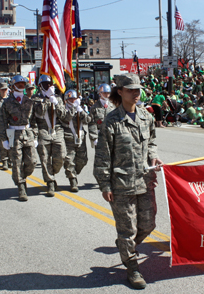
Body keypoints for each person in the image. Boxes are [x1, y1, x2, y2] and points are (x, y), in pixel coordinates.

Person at [93, 73, 163, 289]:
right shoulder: (111, 121)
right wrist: (105, 184)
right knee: (127, 230)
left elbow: (151, 141)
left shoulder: (146, 117)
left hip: (144, 180)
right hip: (121, 185)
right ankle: (132, 268)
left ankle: (126, 247)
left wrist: (153, 155)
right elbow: (103, 155)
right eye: (130, 89)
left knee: (149, 224)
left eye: (137, 89)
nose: (135, 93)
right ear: (120, 92)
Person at [0, 75, 38, 201]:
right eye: (19, 84)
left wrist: (35, 135)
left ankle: (21, 176)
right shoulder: (6, 103)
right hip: (13, 134)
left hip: (27, 132)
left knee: (32, 161)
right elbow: (1, 122)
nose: (21, 86)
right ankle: (21, 186)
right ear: (13, 86)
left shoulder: (29, 101)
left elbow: (35, 120)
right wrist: (3, 139)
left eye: (23, 84)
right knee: (17, 162)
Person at [32, 75, 67, 196]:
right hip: (43, 129)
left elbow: (63, 115)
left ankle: (53, 172)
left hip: (56, 129)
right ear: (40, 85)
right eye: (46, 84)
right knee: (45, 158)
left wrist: (56, 102)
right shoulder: (35, 98)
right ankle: (50, 182)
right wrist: (47, 98)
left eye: (50, 84)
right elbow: (39, 112)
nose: (48, 86)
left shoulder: (58, 98)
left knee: (61, 155)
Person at [60, 89, 91, 192]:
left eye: (74, 98)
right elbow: (66, 118)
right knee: (69, 161)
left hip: (80, 137)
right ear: (66, 99)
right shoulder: (63, 109)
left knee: (83, 160)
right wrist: (74, 109)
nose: (73, 100)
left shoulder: (81, 108)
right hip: (68, 137)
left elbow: (87, 120)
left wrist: (80, 110)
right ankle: (72, 180)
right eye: (70, 98)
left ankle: (74, 172)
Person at [88, 83, 115, 148]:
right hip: (100, 135)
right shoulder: (94, 107)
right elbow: (92, 123)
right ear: (100, 93)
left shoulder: (113, 105)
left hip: (112, 135)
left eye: (108, 93)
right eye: (104, 93)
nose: (107, 95)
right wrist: (94, 138)